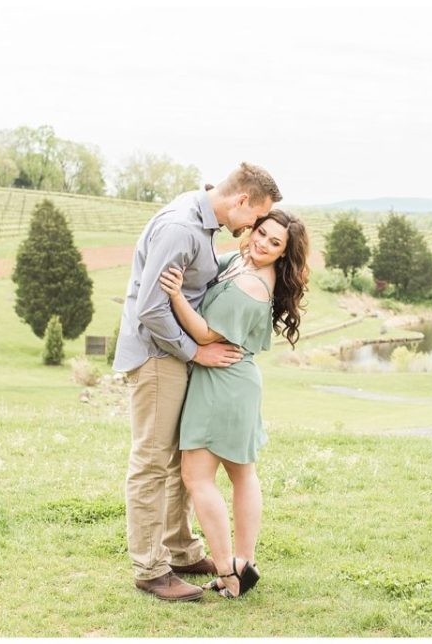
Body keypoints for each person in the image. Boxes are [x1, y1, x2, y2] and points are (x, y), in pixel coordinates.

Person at [112, 162, 283, 602]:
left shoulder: (202, 220)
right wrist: (196, 351)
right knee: (153, 461)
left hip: (174, 355)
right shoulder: (182, 228)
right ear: (241, 200)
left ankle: (182, 551)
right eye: (256, 217)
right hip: (158, 355)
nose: (253, 228)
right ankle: (151, 570)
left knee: (175, 461)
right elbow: (151, 308)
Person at [158, 208, 309, 599]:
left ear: (283, 253)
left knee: (197, 477)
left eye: (274, 243)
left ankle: (228, 570)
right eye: (261, 232)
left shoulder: (251, 285)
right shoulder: (244, 263)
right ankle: (244, 564)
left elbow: (205, 334)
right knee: (242, 474)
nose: (262, 243)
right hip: (237, 381)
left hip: (221, 383)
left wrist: (175, 295)